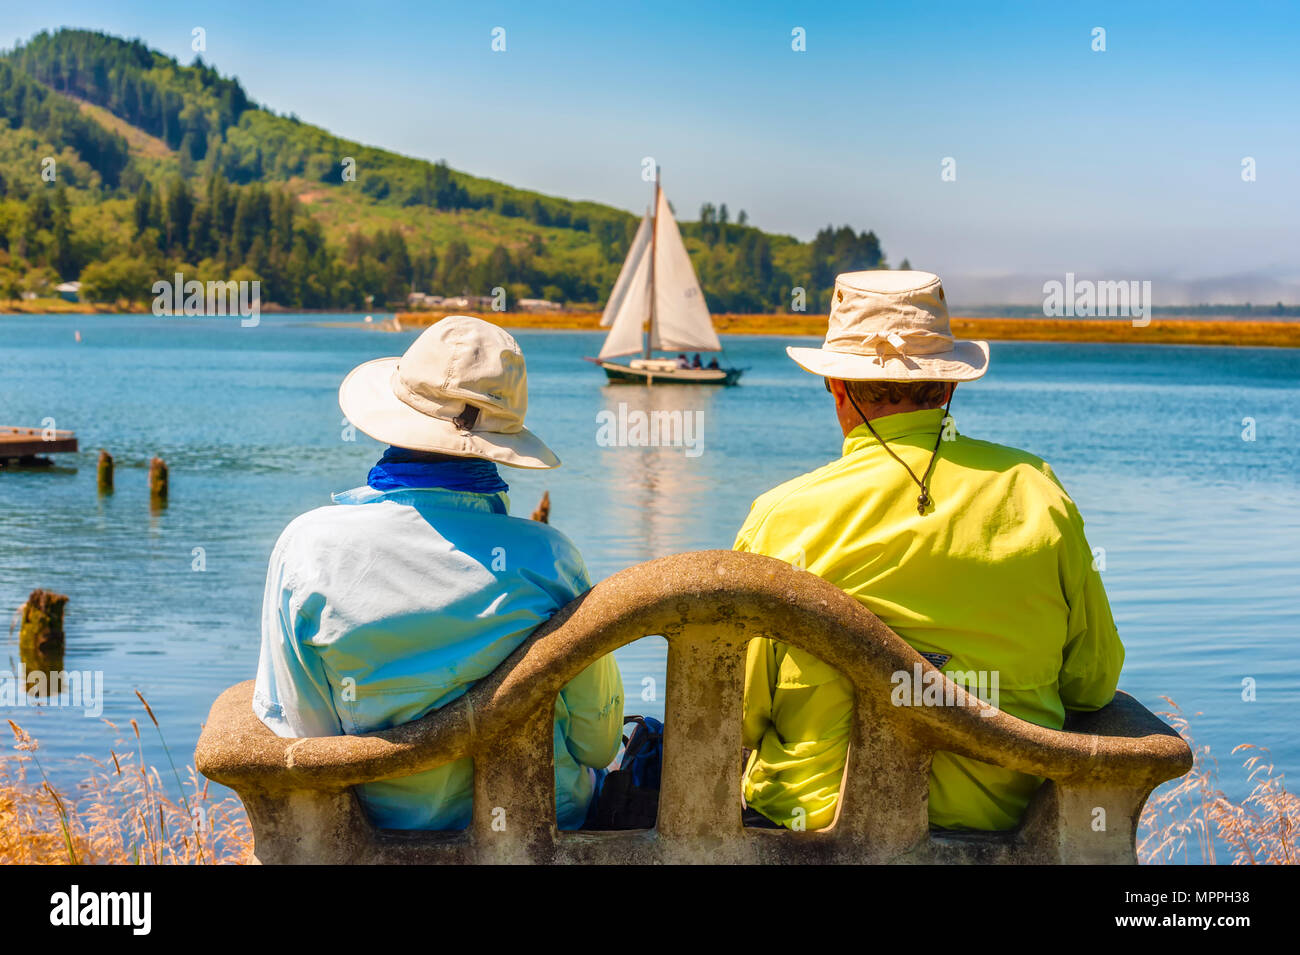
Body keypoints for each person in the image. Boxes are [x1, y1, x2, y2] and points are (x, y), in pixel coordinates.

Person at [736, 270, 1124, 832]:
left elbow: (739, 718)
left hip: (808, 833)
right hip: (997, 832)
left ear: (836, 387)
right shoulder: (1038, 493)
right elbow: (1092, 683)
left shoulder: (781, 518)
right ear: (949, 387)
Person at [254, 316, 624, 831]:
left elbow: (303, 732)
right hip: (540, 825)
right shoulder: (551, 559)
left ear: (395, 415)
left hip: (383, 828)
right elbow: (598, 743)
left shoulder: (308, 547)